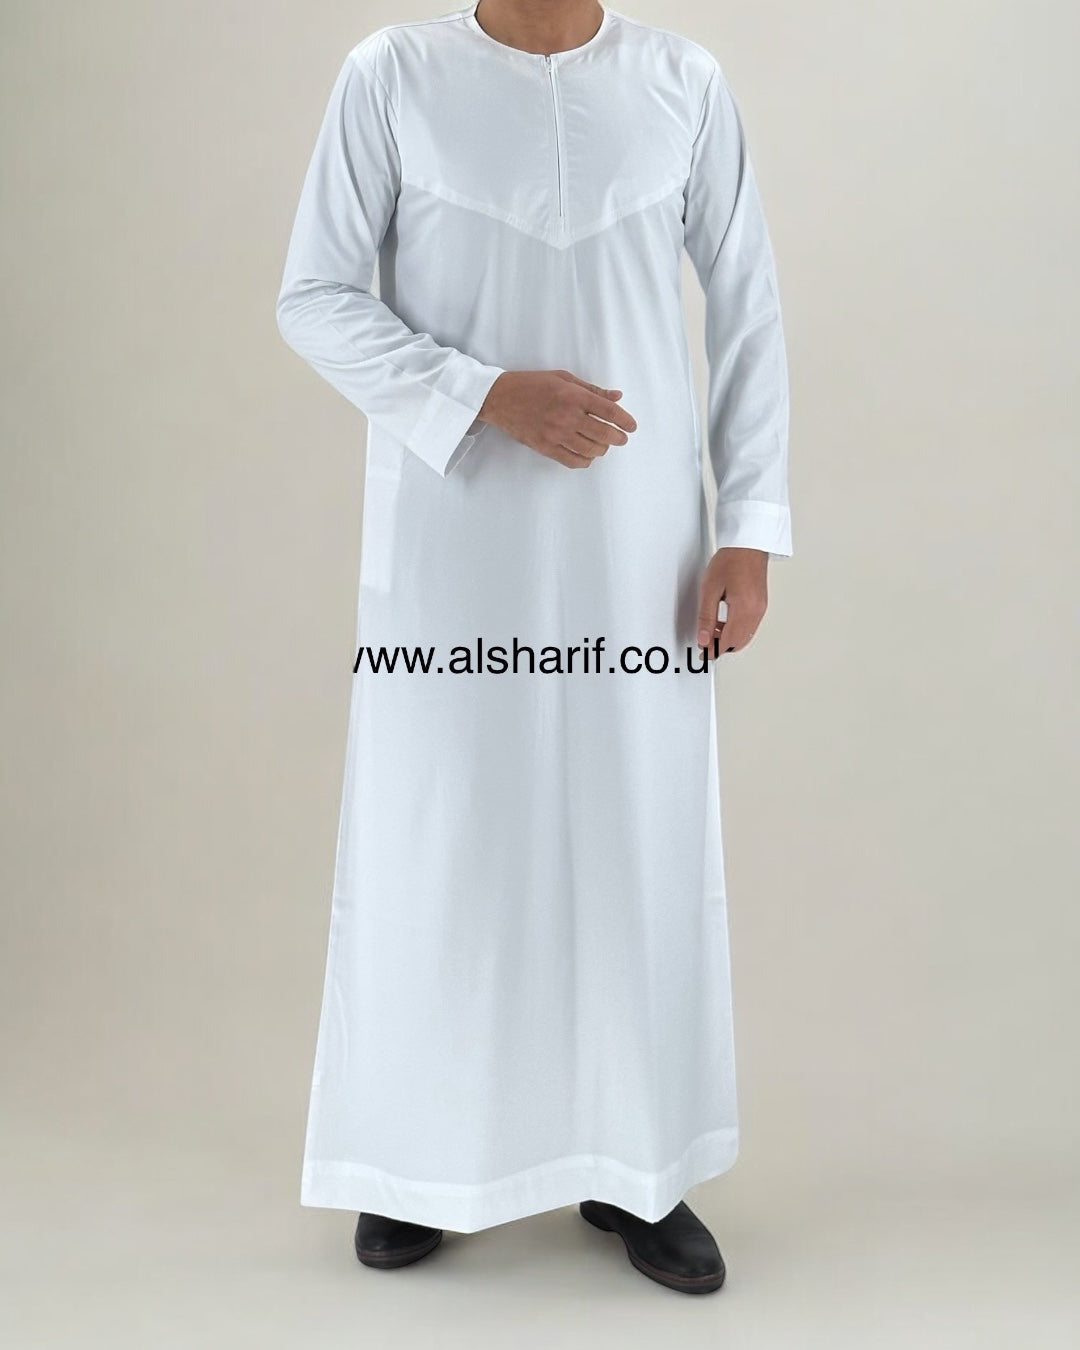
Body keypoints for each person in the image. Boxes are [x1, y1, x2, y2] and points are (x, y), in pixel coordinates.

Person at [276, 0, 791, 1296]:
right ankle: (415, 1160)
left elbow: (747, 305)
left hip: (640, 545)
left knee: (635, 835)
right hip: (454, 536)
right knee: (445, 835)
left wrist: (750, 526)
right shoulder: (395, 75)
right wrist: (480, 393)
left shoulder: (679, 80)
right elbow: (314, 296)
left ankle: (638, 1160)